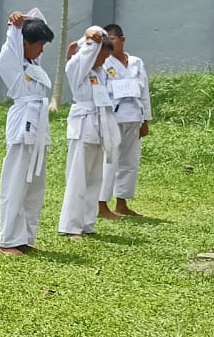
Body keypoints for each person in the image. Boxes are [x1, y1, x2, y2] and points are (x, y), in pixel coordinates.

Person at [0, 10, 57, 256]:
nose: (42, 50)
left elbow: (39, 16)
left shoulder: (34, 65)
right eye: (39, 44)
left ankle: (25, 236)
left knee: (35, 185)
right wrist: (14, 27)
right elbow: (7, 53)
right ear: (24, 44)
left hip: (38, 126)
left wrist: (27, 21)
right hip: (23, 124)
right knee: (16, 182)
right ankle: (8, 239)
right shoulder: (11, 64)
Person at [58, 27, 117, 238]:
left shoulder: (100, 73)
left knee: (94, 178)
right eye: (102, 55)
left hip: (100, 125)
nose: (103, 61)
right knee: (78, 177)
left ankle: (86, 222)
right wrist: (90, 37)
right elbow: (84, 48)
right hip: (83, 125)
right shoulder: (76, 68)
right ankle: (70, 225)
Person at [97, 23, 151, 219]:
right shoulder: (103, 62)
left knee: (130, 161)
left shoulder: (136, 62)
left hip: (134, 115)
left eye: (112, 39)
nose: (110, 43)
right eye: (106, 39)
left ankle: (122, 202)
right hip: (113, 115)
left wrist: (145, 119)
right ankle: (101, 204)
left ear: (122, 39)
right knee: (109, 160)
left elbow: (144, 92)